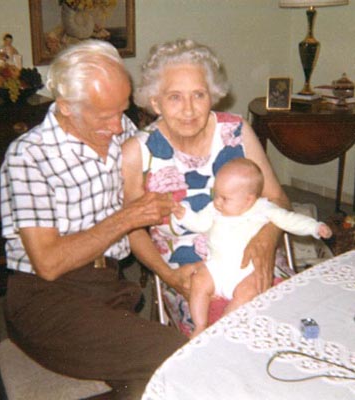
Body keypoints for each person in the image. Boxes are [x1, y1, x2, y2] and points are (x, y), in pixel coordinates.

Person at [0, 40, 187, 399]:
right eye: (105, 117)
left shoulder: (125, 132)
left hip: (108, 286)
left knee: (149, 384)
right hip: (44, 299)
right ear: (66, 107)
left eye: (123, 110)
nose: (119, 127)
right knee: (175, 353)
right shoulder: (29, 156)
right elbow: (49, 263)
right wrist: (126, 216)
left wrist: (174, 273)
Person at [122, 38, 291, 336]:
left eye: (198, 94)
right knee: (222, 342)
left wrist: (267, 238)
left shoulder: (236, 132)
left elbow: (277, 197)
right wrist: (168, 277)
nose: (188, 109)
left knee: (290, 318)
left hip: (252, 257)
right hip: (188, 272)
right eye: (174, 97)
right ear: (155, 101)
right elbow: (133, 230)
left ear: (212, 96)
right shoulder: (137, 151)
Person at [172, 158, 333, 337]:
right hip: (216, 269)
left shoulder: (263, 209)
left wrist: (314, 227)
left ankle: (223, 327)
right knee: (199, 281)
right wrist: (184, 215)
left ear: (249, 200)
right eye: (215, 194)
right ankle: (200, 325)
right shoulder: (214, 209)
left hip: (246, 272)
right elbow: (200, 224)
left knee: (248, 292)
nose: (217, 202)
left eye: (224, 198)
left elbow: (289, 219)